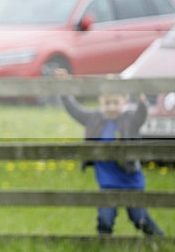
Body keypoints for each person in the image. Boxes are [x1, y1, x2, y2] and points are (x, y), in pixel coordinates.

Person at [57, 72, 165, 236]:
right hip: (107, 182)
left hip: (131, 181)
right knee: (105, 218)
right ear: (101, 101)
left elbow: (141, 116)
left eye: (116, 103)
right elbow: (75, 110)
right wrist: (64, 89)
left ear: (125, 102)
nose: (112, 107)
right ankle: (104, 245)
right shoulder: (94, 119)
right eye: (107, 103)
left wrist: (141, 100)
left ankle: (159, 240)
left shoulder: (129, 119)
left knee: (139, 218)